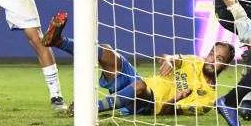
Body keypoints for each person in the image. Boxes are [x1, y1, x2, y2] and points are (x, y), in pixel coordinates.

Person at [42, 12, 235, 115]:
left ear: (225, 67)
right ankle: (58, 42)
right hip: (141, 82)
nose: (211, 60)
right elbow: (172, 59)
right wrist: (168, 60)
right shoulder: (194, 61)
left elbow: (170, 112)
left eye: (219, 59)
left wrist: (177, 98)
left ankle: (89, 108)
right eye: (212, 54)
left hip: (151, 103)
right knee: (108, 52)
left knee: (140, 87)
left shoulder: (207, 98)